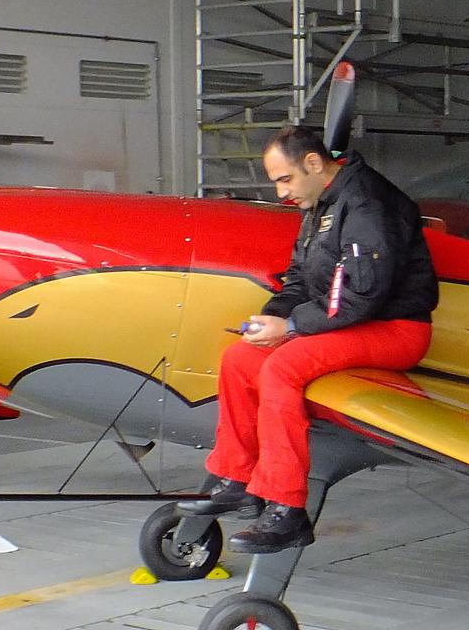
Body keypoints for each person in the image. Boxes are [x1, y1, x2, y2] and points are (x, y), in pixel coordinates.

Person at [180, 125, 438, 552]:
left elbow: (362, 295)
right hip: (349, 323)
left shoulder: (368, 204)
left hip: (396, 330)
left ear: (314, 164)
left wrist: (293, 328)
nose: (282, 192)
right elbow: (301, 278)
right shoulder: (322, 204)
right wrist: (270, 321)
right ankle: (237, 478)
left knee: (284, 366)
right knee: (241, 359)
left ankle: (286, 509)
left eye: (286, 179)